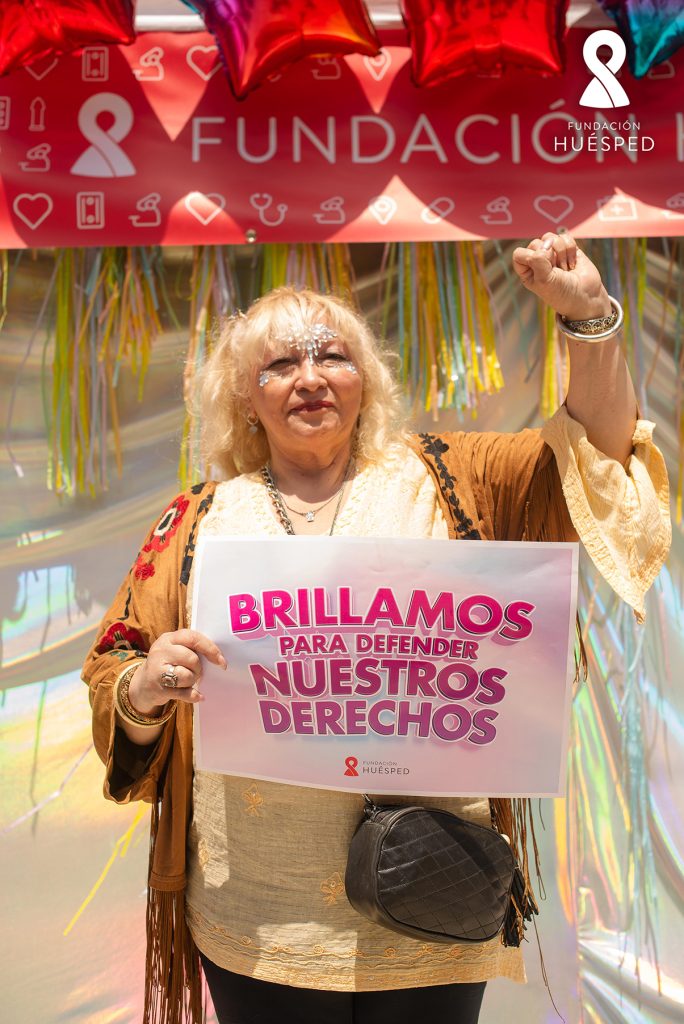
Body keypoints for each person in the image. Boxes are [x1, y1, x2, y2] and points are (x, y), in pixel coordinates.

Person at [82, 232, 670, 1024]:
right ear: (246, 397)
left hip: (433, 885)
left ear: (367, 379)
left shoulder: (454, 477)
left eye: (333, 356)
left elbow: (594, 453)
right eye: (280, 364)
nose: (310, 377)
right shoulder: (194, 521)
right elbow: (116, 665)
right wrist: (145, 689)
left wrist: (589, 318)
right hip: (259, 912)